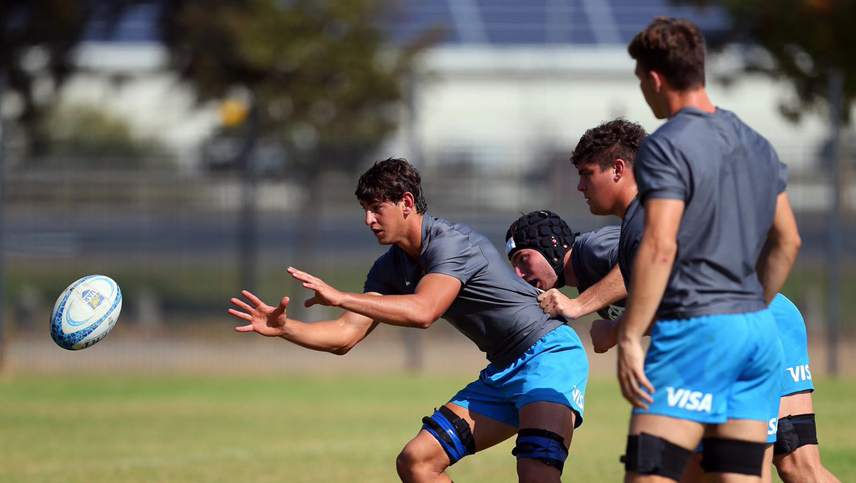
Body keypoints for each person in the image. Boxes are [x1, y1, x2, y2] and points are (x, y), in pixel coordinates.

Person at [228, 157, 589, 483]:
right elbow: (344, 336)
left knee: (535, 472)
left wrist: (340, 296)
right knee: (417, 462)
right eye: (365, 209)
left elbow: (423, 312)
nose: (368, 220)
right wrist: (286, 328)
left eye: (376, 208)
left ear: (407, 203)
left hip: (549, 354)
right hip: (503, 370)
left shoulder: (451, 243)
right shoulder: (389, 268)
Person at [568, 118, 839, 483]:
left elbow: (675, 287)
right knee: (791, 467)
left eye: (586, 174)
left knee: (667, 469)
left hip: (731, 334)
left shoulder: (648, 215)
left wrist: (607, 324)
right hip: (764, 320)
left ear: (618, 169)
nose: (580, 186)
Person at [619, 16, 803, 483]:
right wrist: (751, 306)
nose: (644, 91)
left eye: (641, 81)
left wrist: (629, 336)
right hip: (759, 339)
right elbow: (788, 240)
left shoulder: (665, 146)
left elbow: (660, 244)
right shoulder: (757, 143)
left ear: (656, 79)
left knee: (650, 474)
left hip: (696, 333)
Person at [505, 210, 625, 323]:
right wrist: (614, 331)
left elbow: (638, 264)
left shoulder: (594, 246)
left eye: (523, 258)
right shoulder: (585, 282)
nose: (518, 274)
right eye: (514, 266)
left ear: (551, 244)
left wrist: (579, 305)